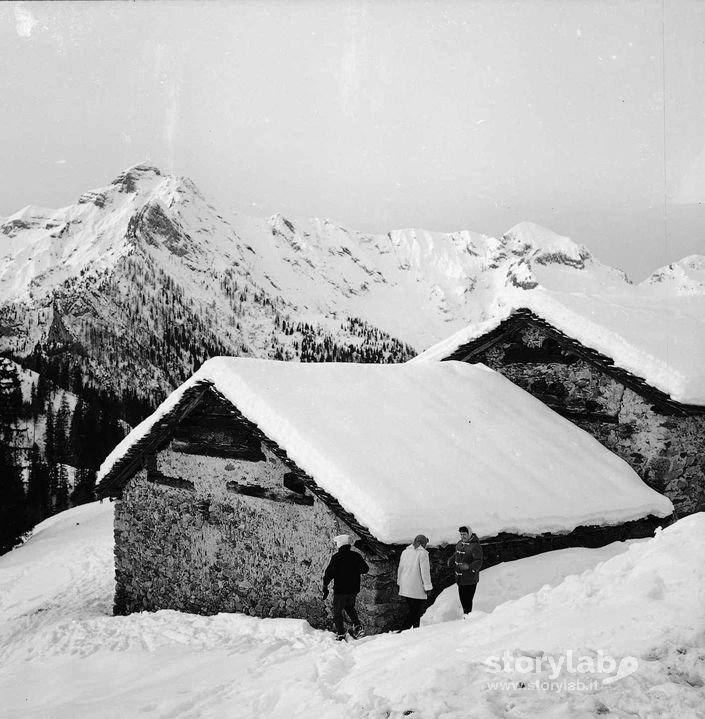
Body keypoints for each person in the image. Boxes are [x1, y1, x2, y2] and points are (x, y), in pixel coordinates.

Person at [322, 534, 369, 640]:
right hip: (353, 589)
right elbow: (365, 569)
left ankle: (341, 633)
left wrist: (325, 586)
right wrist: (354, 570)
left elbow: (329, 573)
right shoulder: (356, 556)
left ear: (339, 545)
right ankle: (357, 626)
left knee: (337, 612)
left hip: (340, 590)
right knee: (349, 607)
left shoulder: (336, 557)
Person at [397, 533, 433, 629]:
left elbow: (400, 568)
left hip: (405, 585)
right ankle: (404, 629)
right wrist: (428, 587)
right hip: (416, 587)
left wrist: (399, 582)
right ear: (424, 543)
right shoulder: (423, 554)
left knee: (414, 609)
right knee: (416, 611)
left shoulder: (405, 552)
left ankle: (416, 630)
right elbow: (425, 572)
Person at [448, 525, 483, 615]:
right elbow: (456, 553)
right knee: (463, 600)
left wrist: (469, 567)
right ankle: (466, 616)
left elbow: (479, 561)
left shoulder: (475, 546)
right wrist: (451, 559)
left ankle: (467, 618)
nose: (462, 536)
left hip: (470, 579)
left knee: (467, 601)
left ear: (469, 534)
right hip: (460, 579)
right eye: (461, 534)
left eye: (464, 534)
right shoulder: (460, 543)